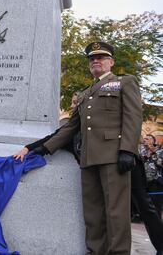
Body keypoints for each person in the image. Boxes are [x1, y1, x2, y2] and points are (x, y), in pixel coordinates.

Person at [14, 41, 143, 255]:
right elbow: (70, 128)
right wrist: (41, 148)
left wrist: (127, 150)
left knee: (116, 213)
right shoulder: (85, 94)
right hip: (88, 159)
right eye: (92, 58)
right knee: (93, 214)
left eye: (101, 57)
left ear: (111, 61)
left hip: (113, 157)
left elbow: (133, 116)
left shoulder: (123, 83)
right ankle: (95, 251)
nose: (95, 61)